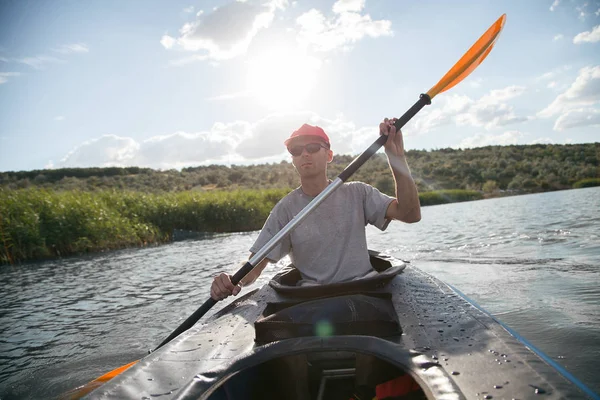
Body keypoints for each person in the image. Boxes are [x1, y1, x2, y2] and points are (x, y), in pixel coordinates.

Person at [210, 118, 421, 301]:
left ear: (329, 155)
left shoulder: (358, 193)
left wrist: (396, 156)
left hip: (365, 290)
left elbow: (410, 214)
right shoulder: (285, 209)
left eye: (312, 147)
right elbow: (256, 263)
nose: (305, 154)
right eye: (296, 150)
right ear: (292, 160)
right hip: (313, 300)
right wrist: (231, 279)